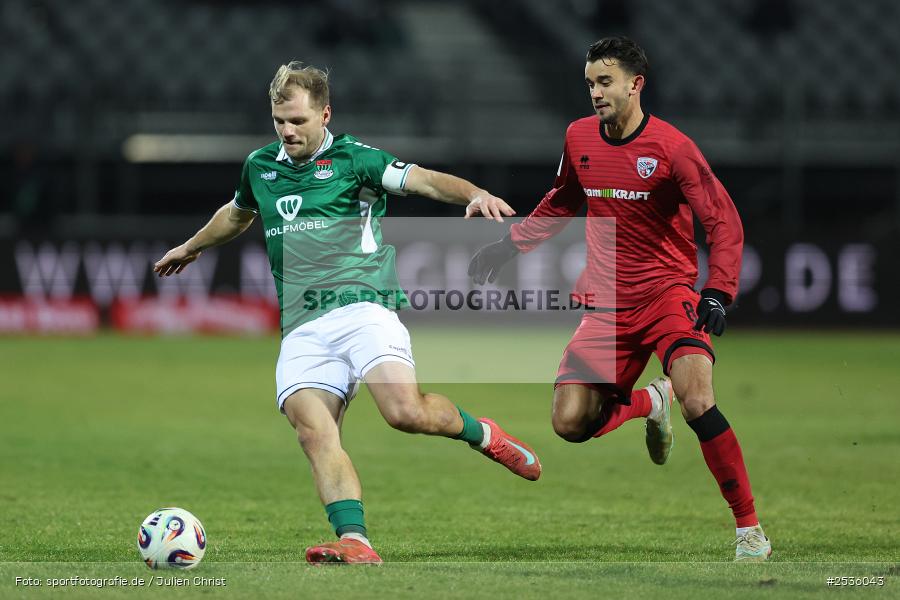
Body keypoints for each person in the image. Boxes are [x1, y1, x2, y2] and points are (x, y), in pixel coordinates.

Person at [154, 61, 542, 565]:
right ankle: (355, 541)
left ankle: (482, 433)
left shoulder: (357, 160)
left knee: (405, 412)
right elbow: (237, 212)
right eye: (279, 121)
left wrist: (475, 194)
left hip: (364, 308)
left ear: (325, 113)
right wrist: (192, 246)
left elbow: (423, 180)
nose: (287, 131)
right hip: (302, 325)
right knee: (314, 431)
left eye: (297, 120)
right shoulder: (259, 166)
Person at [469, 36, 771, 562]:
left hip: (667, 295)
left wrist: (718, 290)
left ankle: (749, 530)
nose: (595, 93)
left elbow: (723, 220)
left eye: (605, 82)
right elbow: (561, 200)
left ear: (636, 85)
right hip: (606, 303)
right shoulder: (579, 137)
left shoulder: (673, 149)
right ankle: (650, 403)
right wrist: (509, 245)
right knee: (569, 423)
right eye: (589, 83)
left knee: (698, 398)